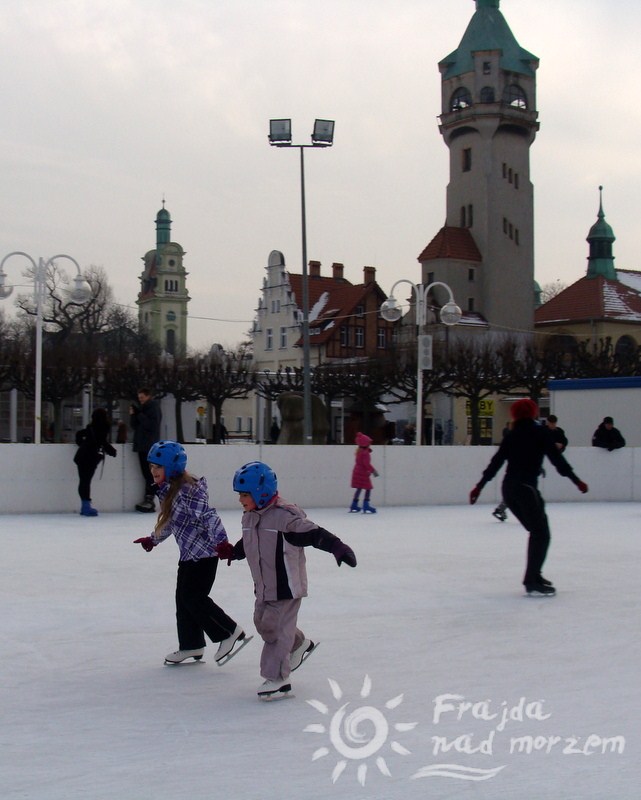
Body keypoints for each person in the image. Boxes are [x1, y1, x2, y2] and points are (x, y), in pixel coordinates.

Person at [217, 461, 356, 699]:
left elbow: (313, 533)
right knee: (262, 623)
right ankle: (299, 644)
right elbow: (250, 543)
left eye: (244, 494)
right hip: (264, 586)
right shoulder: (250, 517)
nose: (240, 500)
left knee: (276, 628)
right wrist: (234, 552)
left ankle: (278, 678)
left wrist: (337, 547)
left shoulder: (284, 518)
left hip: (286, 586)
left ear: (261, 493)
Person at [133, 441, 250, 666]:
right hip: (189, 555)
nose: (153, 471)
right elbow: (170, 520)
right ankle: (191, 645)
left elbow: (209, 516)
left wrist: (222, 543)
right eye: (151, 467)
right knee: (183, 600)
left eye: (158, 466)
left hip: (204, 555)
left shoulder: (188, 490)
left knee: (193, 598)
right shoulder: (168, 491)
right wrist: (153, 539)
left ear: (172, 467)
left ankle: (229, 631)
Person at [469, 398, 589, 597]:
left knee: (537, 532)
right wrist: (576, 480)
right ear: (533, 413)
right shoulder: (540, 432)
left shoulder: (512, 435)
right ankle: (532, 579)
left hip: (509, 489)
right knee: (541, 533)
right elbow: (557, 460)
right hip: (526, 489)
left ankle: (534, 575)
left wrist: (479, 486)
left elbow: (496, 463)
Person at [73, 408, 117, 516]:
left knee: (83, 481)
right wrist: (112, 451)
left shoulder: (90, 427)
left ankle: (85, 505)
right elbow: (102, 441)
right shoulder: (104, 427)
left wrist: (82, 444)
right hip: (90, 458)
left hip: (81, 456)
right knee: (86, 481)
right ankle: (86, 507)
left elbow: (79, 434)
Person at [129, 388, 162, 512]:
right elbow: (135, 426)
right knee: (146, 473)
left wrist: (139, 414)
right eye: (139, 398)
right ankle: (149, 498)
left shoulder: (153, 407)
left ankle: (150, 498)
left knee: (150, 473)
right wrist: (134, 415)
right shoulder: (143, 408)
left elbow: (151, 425)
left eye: (142, 397)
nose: (140, 400)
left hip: (149, 445)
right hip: (142, 445)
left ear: (148, 396)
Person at [350, 432, 379, 513]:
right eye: (369, 443)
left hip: (357, 471)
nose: (370, 444)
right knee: (368, 488)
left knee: (359, 488)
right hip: (363, 473)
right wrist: (374, 471)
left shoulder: (359, 451)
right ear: (365, 443)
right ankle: (366, 505)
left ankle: (354, 504)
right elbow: (366, 464)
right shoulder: (365, 453)